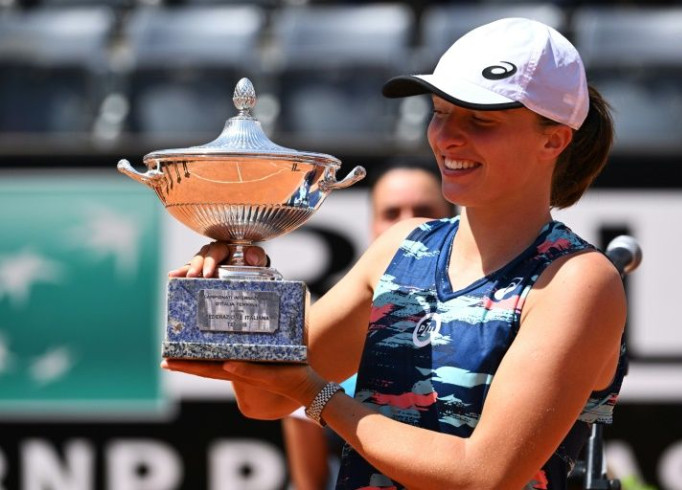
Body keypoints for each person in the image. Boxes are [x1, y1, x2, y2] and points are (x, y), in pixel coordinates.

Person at [164, 17, 627, 489]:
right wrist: (250, 286)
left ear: (553, 139)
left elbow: (482, 476)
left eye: (480, 120)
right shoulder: (400, 247)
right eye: (441, 112)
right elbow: (264, 402)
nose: (447, 137)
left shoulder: (578, 281)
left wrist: (315, 394)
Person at [282, 159, 456, 490]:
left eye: (423, 209)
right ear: (371, 224)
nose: (409, 224)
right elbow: (309, 479)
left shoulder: (493, 314)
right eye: (392, 213)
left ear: (453, 217)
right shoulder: (337, 321)